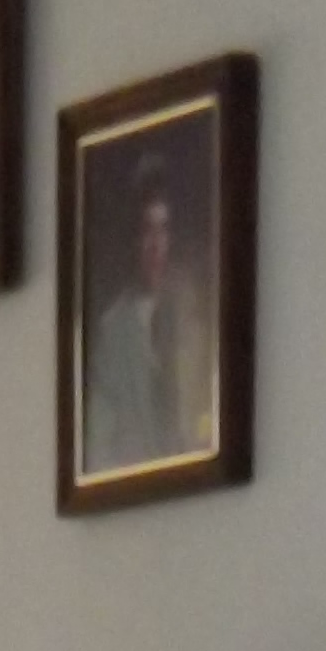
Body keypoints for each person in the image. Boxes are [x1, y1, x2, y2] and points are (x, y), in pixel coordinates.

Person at [84, 152, 212, 475]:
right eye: (146, 231)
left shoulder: (195, 317)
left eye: (163, 230)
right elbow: (97, 447)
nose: (155, 245)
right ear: (133, 239)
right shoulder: (111, 332)